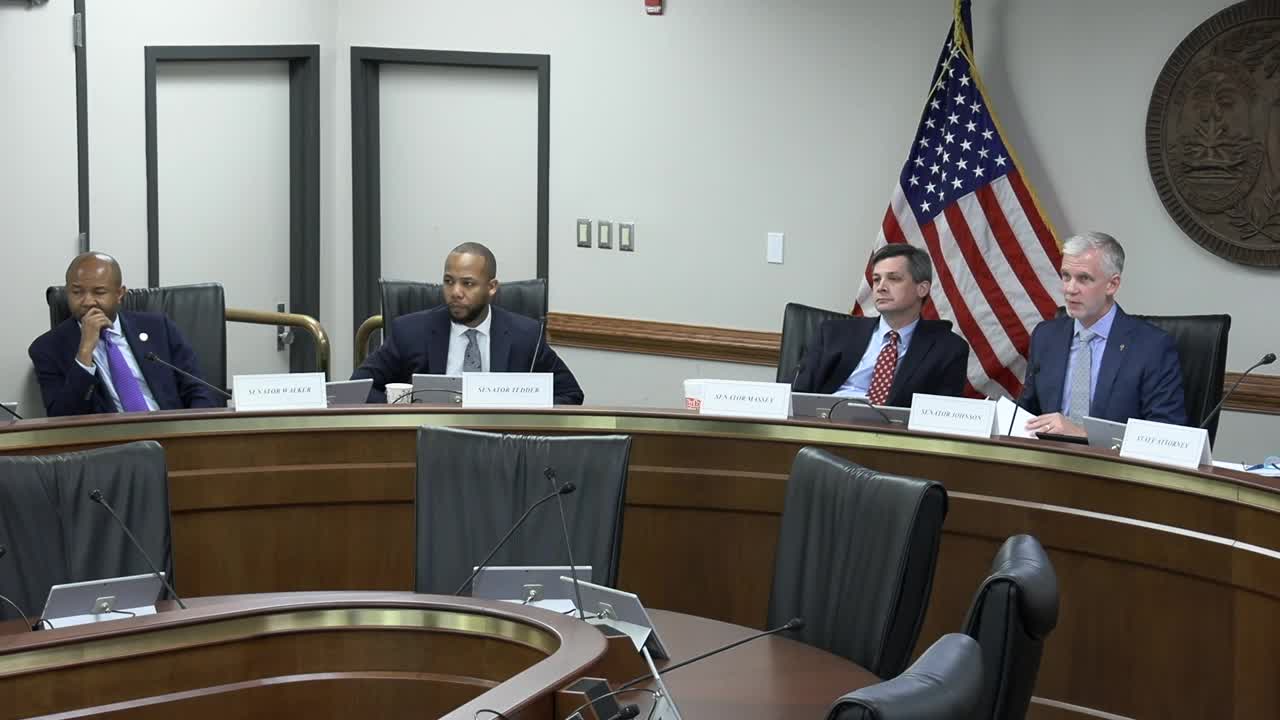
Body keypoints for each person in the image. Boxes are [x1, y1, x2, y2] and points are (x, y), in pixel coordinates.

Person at [352, 242, 584, 404]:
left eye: (468, 284)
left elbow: (570, 394)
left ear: (491, 287)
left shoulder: (525, 335)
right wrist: (403, 408)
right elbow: (358, 387)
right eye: (448, 281)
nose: (455, 292)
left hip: (499, 446)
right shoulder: (411, 332)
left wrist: (524, 410)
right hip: (427, 442)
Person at [1020, 232, 1186, 436]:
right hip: (1046, 454)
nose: (1070, 289)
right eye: (1066, 276)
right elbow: (1026, 412)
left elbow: (1165, 432)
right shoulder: (1045, 336)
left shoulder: (1151, 347)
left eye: (1084, 279)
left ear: (1112, 285)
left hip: (1112, 457)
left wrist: (1081, 434)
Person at [29, 252, 220, 417]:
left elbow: (198, 389)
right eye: (77, 292)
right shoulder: (47, 349)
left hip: (171, 433)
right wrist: (84, 352)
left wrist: (192, 432)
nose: (87, 301)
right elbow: (62, 418)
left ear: (120, 294)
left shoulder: (159, 328)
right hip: (111, 444)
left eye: (99, 292)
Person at [792, 243, 970, 405]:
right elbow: (798, 395)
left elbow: (941, 415)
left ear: (921, 289)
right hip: (828, 421)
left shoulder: (949, 349)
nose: (880, 287)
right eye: (877, 279)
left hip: (893, 428)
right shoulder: (832, 333)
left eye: (894, 278)